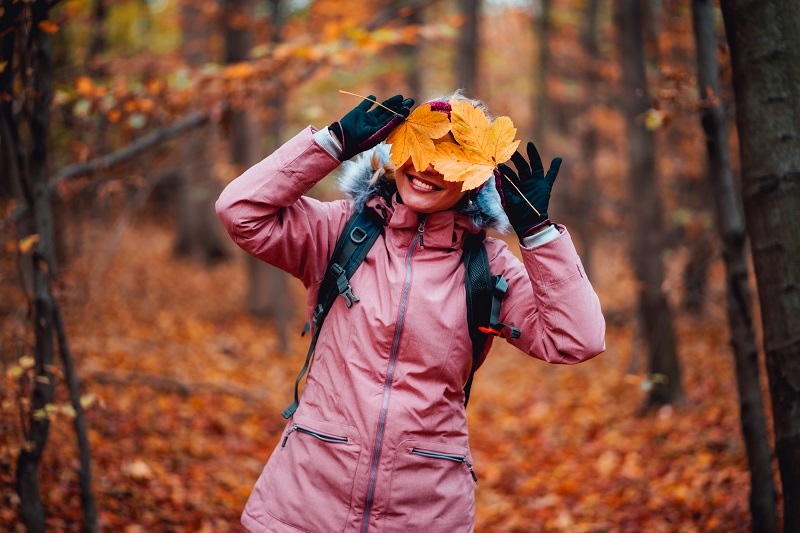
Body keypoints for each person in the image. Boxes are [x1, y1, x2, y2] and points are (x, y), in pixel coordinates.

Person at [215, 92, 606, 533]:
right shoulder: (340, 230)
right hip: (307, 496)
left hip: (425, 507)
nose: (426, 167)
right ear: (394, 150)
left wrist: (536, 234)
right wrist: (333, 143)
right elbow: (240, 211)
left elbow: (577, 340)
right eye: (418, 148)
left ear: (476, 174)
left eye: (450, 157)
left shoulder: (488, 265)